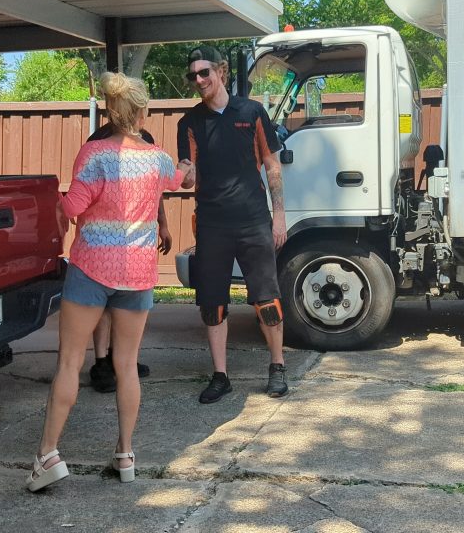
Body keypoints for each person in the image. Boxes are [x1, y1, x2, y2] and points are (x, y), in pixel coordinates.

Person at [27, 72, 194, 492]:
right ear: (141, 111)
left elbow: (73, 206)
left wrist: (50, 198)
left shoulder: (94, 154)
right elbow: (181, 181)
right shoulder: (157, 158)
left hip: (90, 270)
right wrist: (187, 168)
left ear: (110, 112)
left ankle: (48, 455)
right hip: (137, 275)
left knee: (69, 362)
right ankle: (125, 453)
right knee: (126, 367)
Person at [177, 45, 288, 404]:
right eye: (193, 75)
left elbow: (271, 164)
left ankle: (277, 368)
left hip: (254, 220)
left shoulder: (252, 111)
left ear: (221, 72)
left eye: (204, 72)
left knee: (266, 298)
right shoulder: (189, 122)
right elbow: (187, 171)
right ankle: (220, 376)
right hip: (212, 224)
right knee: (212, 304)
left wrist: (279, 215)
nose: (199, 80)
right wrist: (181, 174)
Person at [84, 124, 172, 393]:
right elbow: (86, 189)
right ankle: (101, 364)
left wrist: (163, 224)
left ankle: (121, 359)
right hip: (106, 241)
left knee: (128, 306)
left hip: (136, 244)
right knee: (104, 306)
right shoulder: (98, 140)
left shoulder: (147, 140)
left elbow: (154, 189)